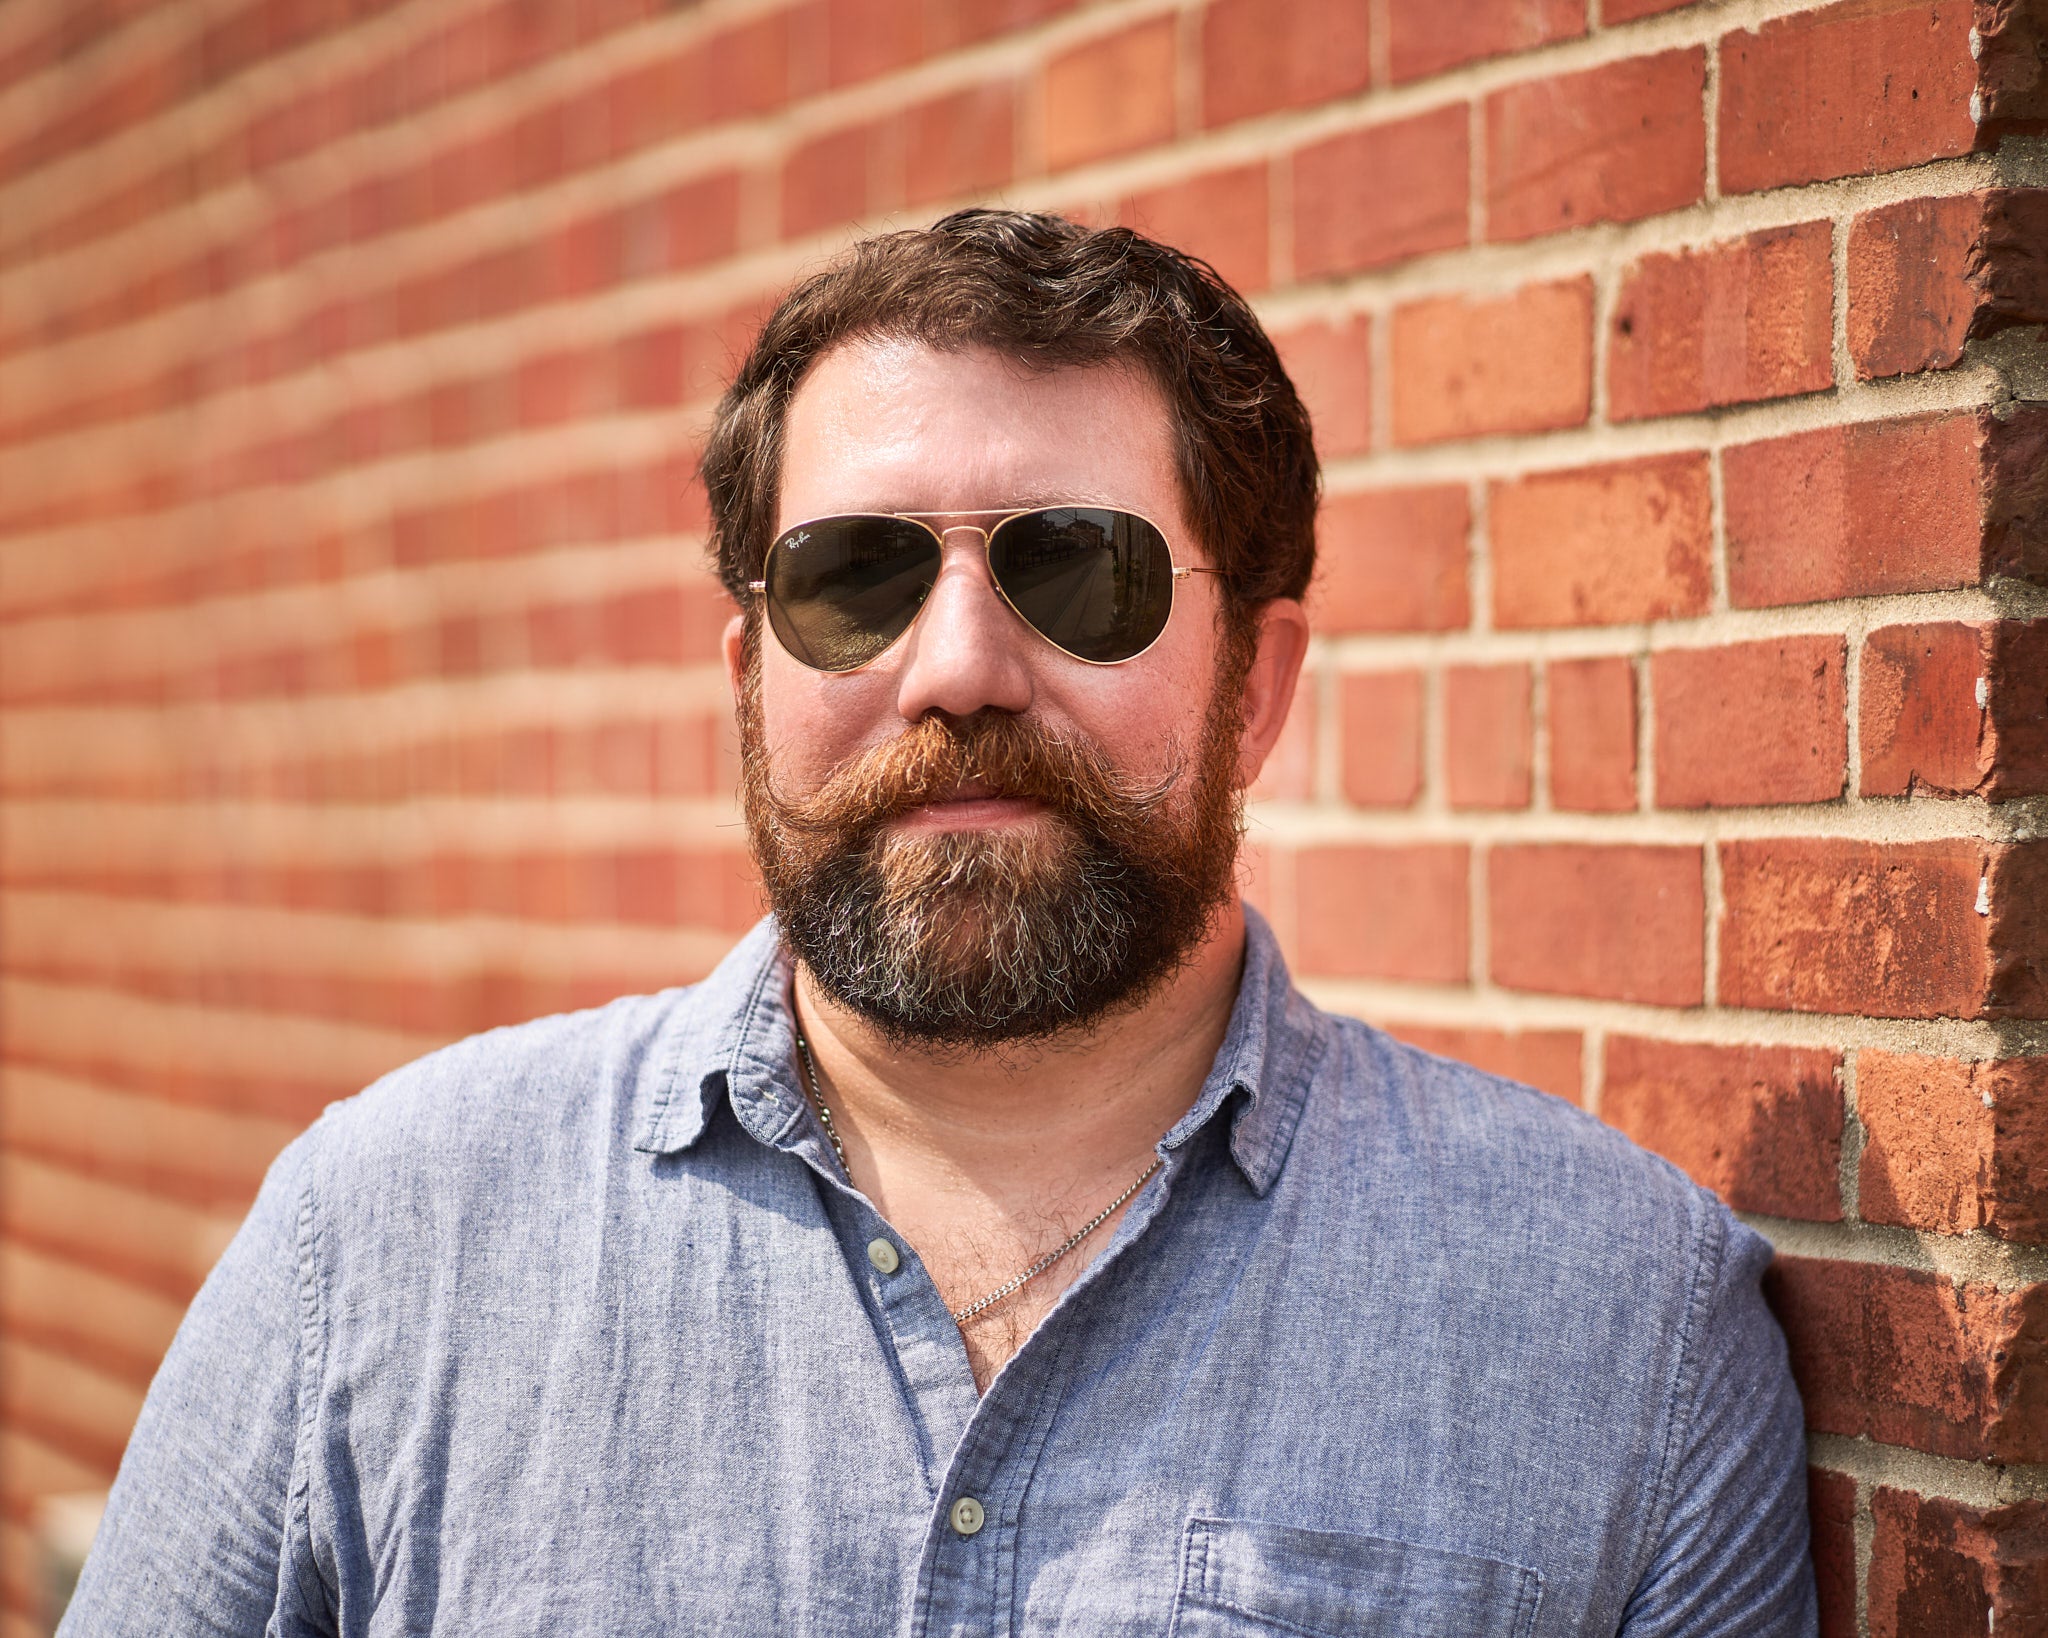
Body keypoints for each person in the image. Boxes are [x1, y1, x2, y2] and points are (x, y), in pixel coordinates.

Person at [63, 210, 1815, 1636]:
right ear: (753, 680)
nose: (962, 666)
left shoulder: (1620, 1327)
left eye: (1079, 571)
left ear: (1256, 685)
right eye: (855, 578)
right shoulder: (378, 1248)